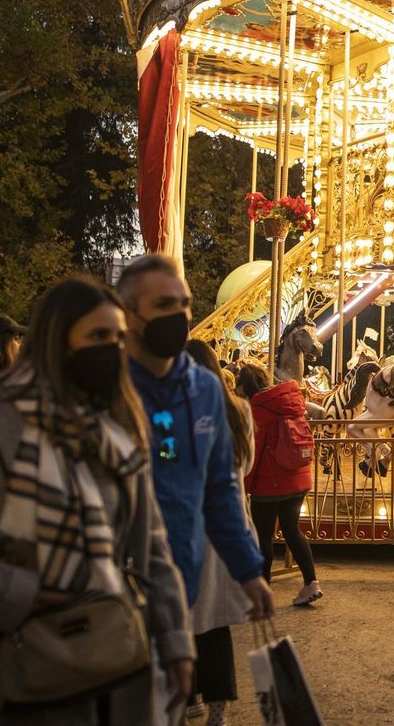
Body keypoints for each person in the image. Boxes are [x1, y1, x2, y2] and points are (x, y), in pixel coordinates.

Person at [0, 275, 195, 723]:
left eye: (118, 338)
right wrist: (15, 595)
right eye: (98, 336)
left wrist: (175, 641)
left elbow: (151, 549)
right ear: (58, 343)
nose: (112, 350)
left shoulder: (117, 434)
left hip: (110, 658)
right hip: (5, 663)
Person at [115, 255, 273, 626]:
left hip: (179, 588)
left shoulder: (204, 390)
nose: (179, 317)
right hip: (116, 593)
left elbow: (220, 488)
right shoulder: (106, 389)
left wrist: (249, 572)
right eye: (163, 305)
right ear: (129, 314)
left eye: (184, 305)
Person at [183, 339, 257, 726]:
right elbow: (245, 467)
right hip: (228, 523)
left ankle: (190, 694)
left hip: (188, 520)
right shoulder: (240, 411)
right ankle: (218, 707)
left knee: (187, 612)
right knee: (216, 619)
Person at [237, 358, 322, 607]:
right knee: (292, 530)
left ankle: (263, 593)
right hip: (298, 479)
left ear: (246, 386)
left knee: (262, 536)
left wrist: (244, 486)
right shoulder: (291, 402)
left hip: (270, 483)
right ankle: (311, 583)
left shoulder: (259, 409)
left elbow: (254, 452)